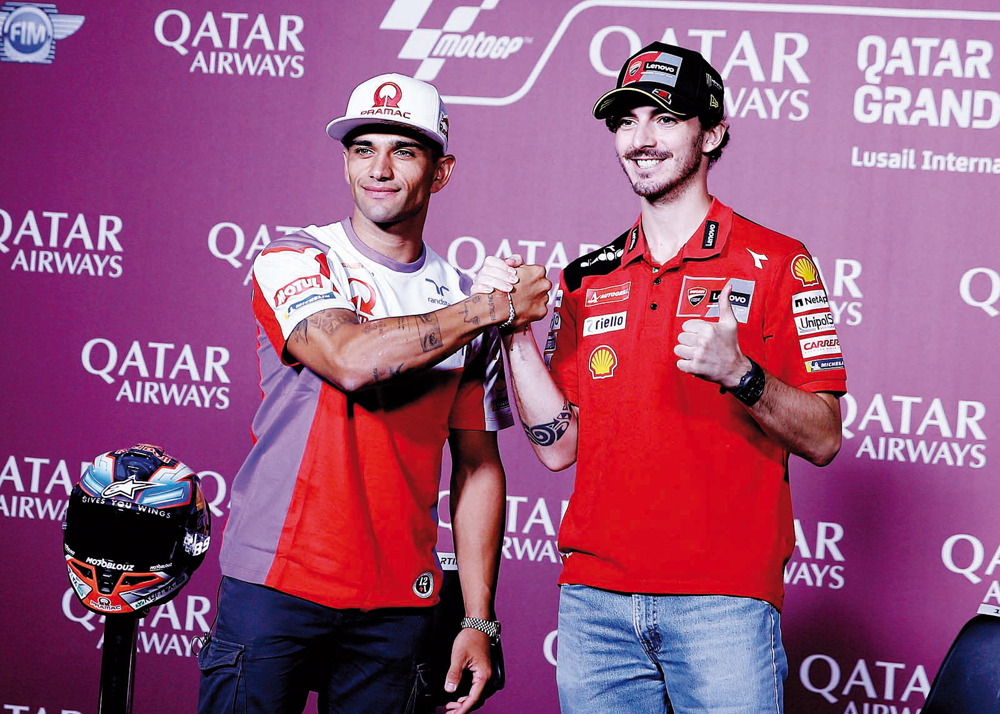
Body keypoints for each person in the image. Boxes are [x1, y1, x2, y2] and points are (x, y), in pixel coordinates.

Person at [473, 43, 847, 713]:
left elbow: (824, 438)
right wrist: (514, 333)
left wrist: (744, 375)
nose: (641, 139)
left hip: (722, 604)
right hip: (594, 605)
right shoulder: (587, 277)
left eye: (666, 118)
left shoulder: (779, 263)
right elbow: (558, 448)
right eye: (627, 120)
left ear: (713, 133)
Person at [197, 72, 550, 714]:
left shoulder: (461, 297)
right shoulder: (297, 258)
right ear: (345, 163)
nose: (379, 169)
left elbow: (477, 467)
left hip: (399, 602)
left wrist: (478, 618)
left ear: (440, 172)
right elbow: (350, 359)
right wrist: (494, 307)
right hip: (279, 580)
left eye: (404, 150)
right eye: (363, 149)